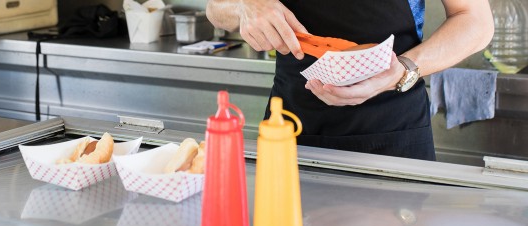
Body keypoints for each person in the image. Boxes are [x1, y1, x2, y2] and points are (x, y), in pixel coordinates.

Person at [206, 0, 493, 160]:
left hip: (393, 130)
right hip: (288, 129)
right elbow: (216, 9)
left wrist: (404, 67)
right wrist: (244, 6)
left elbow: (475, 20)